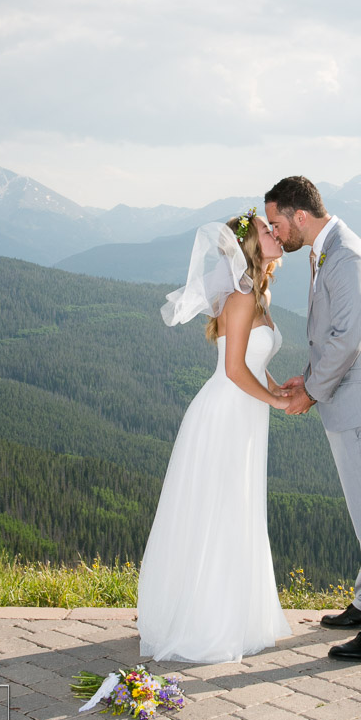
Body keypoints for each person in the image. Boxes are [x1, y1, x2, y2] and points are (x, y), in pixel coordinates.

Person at [265, 177, 361, 662]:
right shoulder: (329, 250)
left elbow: (347, 339)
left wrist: (311, 392)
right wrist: (307, 376)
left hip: (359, 405)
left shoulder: (346, 256)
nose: (275, 232)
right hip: (357, 399)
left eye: (276, 222)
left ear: (300, 216)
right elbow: (335, 334)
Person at [137, 209, 292, 663]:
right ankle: (209, 622)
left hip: (241, 411)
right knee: (222, 510)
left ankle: (234, 615)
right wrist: (277, 401)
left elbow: (251, 362)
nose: (274, 232)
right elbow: (233, 368)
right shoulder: (242, 297)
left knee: (234, 507)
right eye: (266, 230)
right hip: (226, 414)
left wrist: (278, 385)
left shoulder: (253, 293)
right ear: (248, 245)